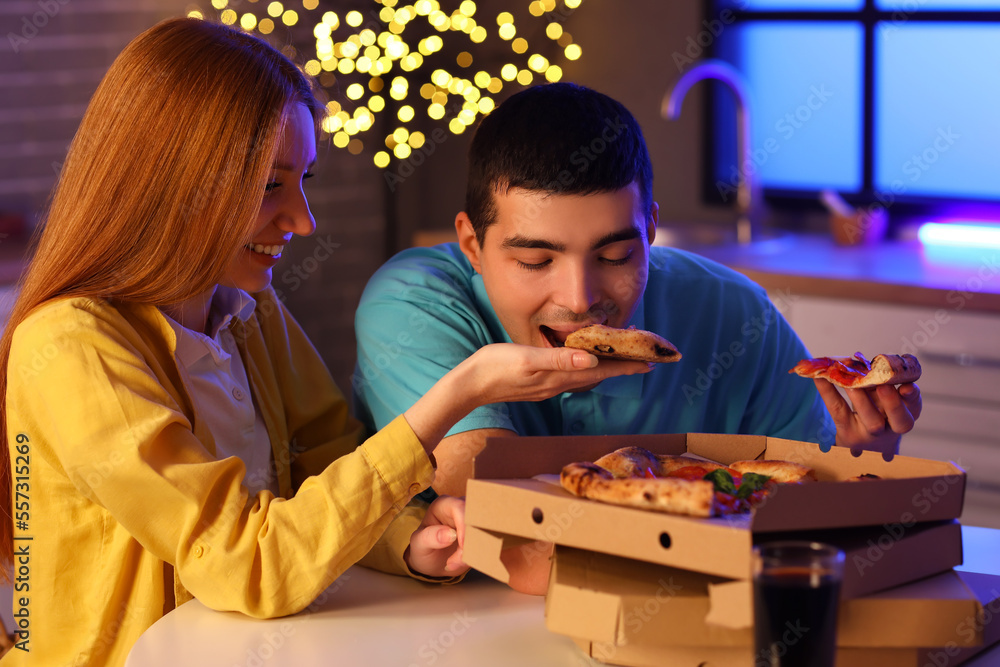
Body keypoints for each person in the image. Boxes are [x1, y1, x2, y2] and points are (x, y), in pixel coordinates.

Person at [0, 22, 653, 666]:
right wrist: (464, 388)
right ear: (170, 182)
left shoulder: (248, 311)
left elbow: (323, 464)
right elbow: (251, 563)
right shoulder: (70, 349)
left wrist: (407, 534)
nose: (303, 220)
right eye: (268, 186)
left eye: (305, 179)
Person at [353, 82, 922, 501]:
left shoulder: (733, 311)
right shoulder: (410, 302)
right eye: (535, 259)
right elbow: (479, 484)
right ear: (472, 245)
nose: (578, 298)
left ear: (651, 229)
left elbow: (813, 494)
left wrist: (866, 452)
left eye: (615, 255)